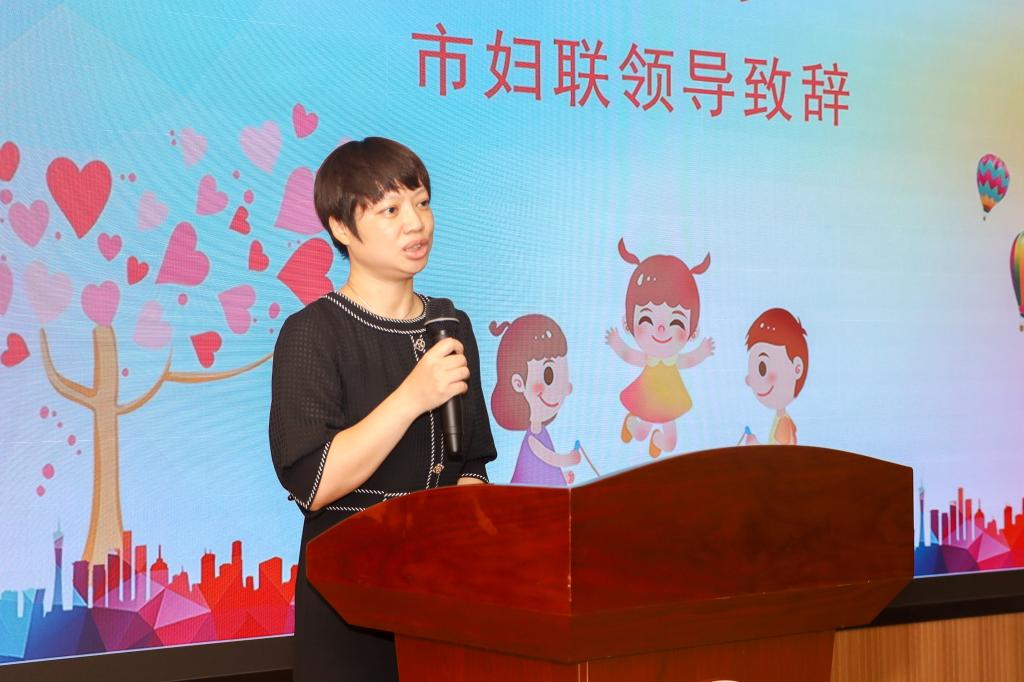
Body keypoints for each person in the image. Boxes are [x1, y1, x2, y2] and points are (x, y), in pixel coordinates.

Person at [268, 137, 497, 680]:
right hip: (350, 595)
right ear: (341, 228)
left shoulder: (450, 325)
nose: (416, 224)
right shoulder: (312, 332)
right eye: (390, 210)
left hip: (442, 594)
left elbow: (472, 465)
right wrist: (412, 397)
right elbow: (314, 481)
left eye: (422, 203)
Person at [605, 238, 715, 457]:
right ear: (629, 323)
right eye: (647, 319)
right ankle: (631, 424)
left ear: (692, 330)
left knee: (671, 443)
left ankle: (656, 440)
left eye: (676, 322)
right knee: (639, 434)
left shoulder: (674, 359)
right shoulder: (649, 358)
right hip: (647, 398)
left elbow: (689, 360)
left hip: (670, 400)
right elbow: (630, 355)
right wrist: (616, 343)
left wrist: (702, 352)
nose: (662, 329)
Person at [489, 314, 580, 486]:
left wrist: (561, 476)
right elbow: (549, 457)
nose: (565, 389)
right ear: (518, 383)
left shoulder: (542, 431)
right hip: (530, 495)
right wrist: (569, 458)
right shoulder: (533, 437)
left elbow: (546, 467)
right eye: (549, 375)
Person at [741, 308, 808, 446]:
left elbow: (777, 456)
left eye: (762, 368)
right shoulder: (780, 418)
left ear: (797, 368)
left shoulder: (784, 423)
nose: (749, 381)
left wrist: (755, 444)